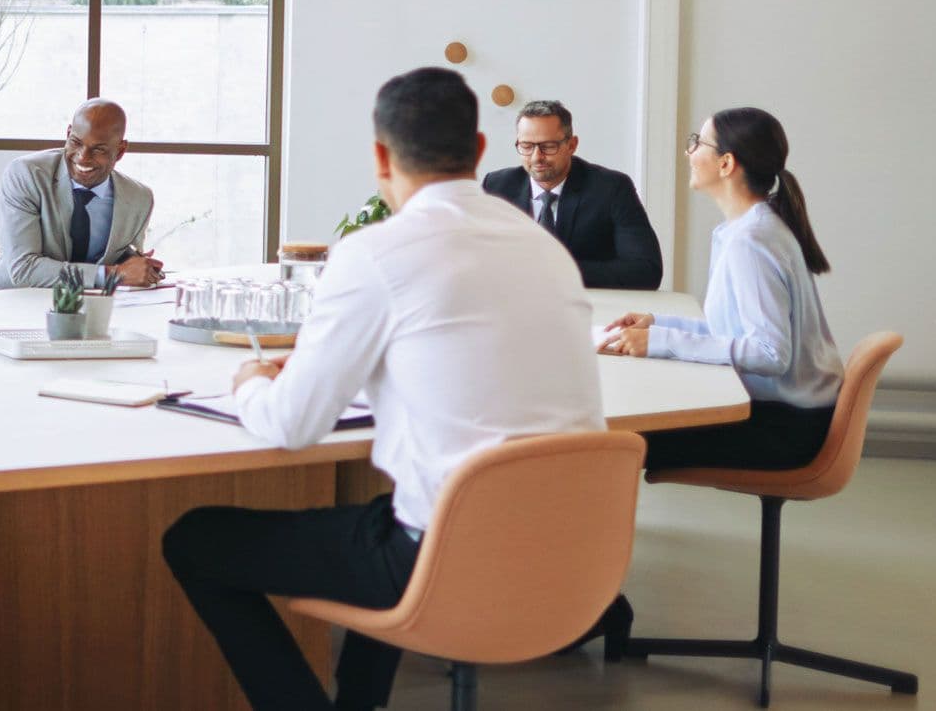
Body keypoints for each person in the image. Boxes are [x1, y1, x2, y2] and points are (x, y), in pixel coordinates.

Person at [159, 68, 605, 711]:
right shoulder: (544, 249)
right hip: (573, 554)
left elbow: (292, 427)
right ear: (481, 152)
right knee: (391, 505)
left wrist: (251, 382)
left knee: (195, 540)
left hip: (444, 557)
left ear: (379, 156)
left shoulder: (376, 253)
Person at [599, 107, 842, 470]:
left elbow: (770, 354)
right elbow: (734, 331)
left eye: (697, 142)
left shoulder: (751, 241)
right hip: (786, 414)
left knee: (608, 440)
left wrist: (662, 342)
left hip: (785, 427)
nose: (688, 152)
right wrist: (658, 326)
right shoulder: (748, 229)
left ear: (726, 163)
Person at [0, 99, 164, 292]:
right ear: (68, 133)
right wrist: (112, 274)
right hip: (4, 302)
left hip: (83, 311)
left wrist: (138, 266)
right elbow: (23, 269)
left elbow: (120, 259)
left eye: (98, 149)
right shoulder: (27, 174)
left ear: (120, 151)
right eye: (76, 142)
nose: (83, 157)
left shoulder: (139, 198)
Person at [481, 100, 664, 289]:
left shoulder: (612, 188)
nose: (536, 157)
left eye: (549, 146)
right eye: (526, 146)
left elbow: (646, 270)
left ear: (572, 145)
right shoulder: (496, 186)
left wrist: (556, 271)